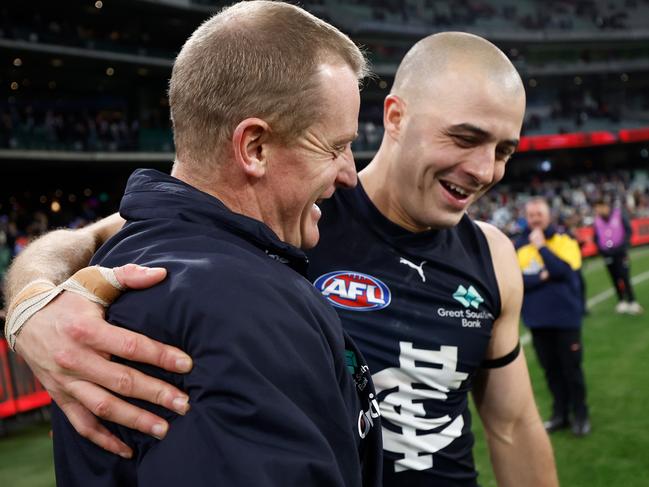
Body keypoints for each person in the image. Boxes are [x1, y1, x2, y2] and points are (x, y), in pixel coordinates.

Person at [5, 31, 559, 487]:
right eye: (465, 139)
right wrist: (31, 304)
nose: (486, 170)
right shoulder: (294, 215)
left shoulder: (491, 255)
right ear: (394, 117)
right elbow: (94, 237)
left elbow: (511, 426)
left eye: (504, 151)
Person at [3, 2, 382, 486]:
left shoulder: (134, 246)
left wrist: (28, 296)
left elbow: (94, 232)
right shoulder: (244, 306)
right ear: (255, 148)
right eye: (335, 147)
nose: (350, 173)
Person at [516, 197, 591, 437]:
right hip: (537, 322)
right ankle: (560, 414)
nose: (535, 218)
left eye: (539, 213)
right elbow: (517, 281)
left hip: (565, 320)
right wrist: (542, 277)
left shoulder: (564, 239)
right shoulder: (518, 245)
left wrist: (542, 248)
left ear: (549, 215)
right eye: (531, 215)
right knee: (551, 372)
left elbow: (564, 271)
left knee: (572, 370)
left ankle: (581, 414)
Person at [593, 199, 644, 315]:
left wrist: (623, 245)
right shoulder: (597, 221)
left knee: (624, 276)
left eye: (599, 207)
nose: (598, 210)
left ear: (605, 206)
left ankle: (632, 301)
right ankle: (621, 301)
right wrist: (602, 250)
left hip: (620, 253)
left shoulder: (618, 215)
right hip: (608, 255)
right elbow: (596, 238)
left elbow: (628, 231)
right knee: (614, 278)